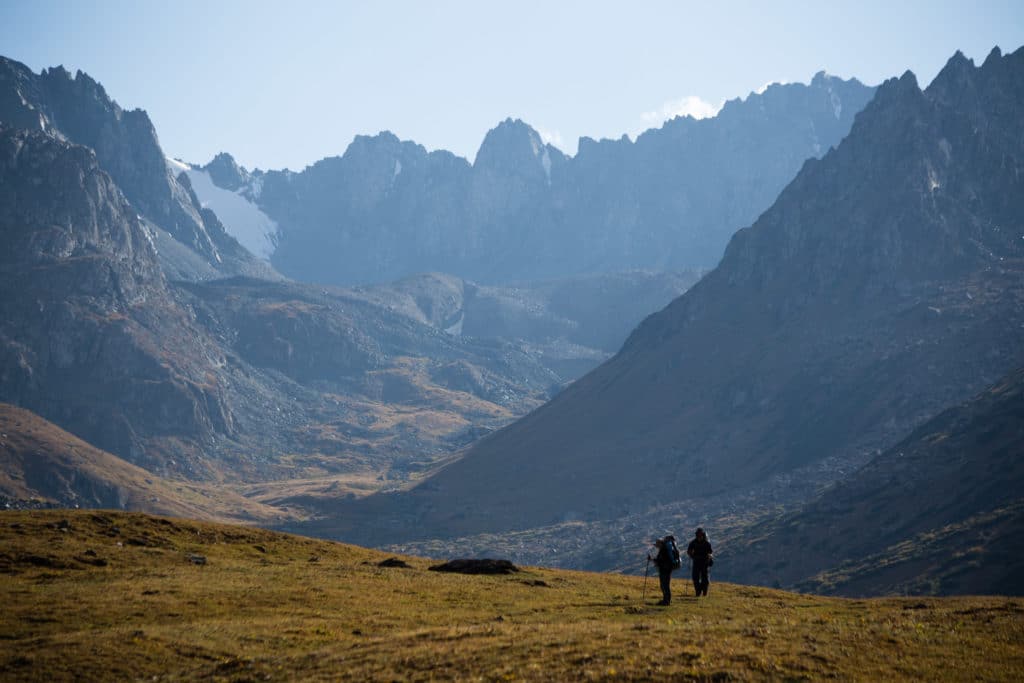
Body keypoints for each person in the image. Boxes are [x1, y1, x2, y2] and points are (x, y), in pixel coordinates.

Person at [648, 535, 679, 606]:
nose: (656, 546)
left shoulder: (663, 551)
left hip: (665, 570)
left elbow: (660, 560)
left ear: (660, 544)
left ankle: (666, 601)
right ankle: (666, 600)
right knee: (665, 585)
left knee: (664, 585)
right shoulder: (664, 550)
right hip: (667, 569)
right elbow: (661, 560)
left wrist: (653, 560)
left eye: (657, 545)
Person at [687, 527, 713, 596]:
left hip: (704, 562)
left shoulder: (705, 543)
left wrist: (693, 556)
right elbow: (689, 551)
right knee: (695, 578)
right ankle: (698, 592)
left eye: (699, 535)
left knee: (705, 579)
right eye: (697, 535)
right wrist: (692, 556)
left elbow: (710, 552)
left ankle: (704, 592)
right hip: (697, 562)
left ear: (702, 535)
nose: (698, 536)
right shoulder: (695, 542)